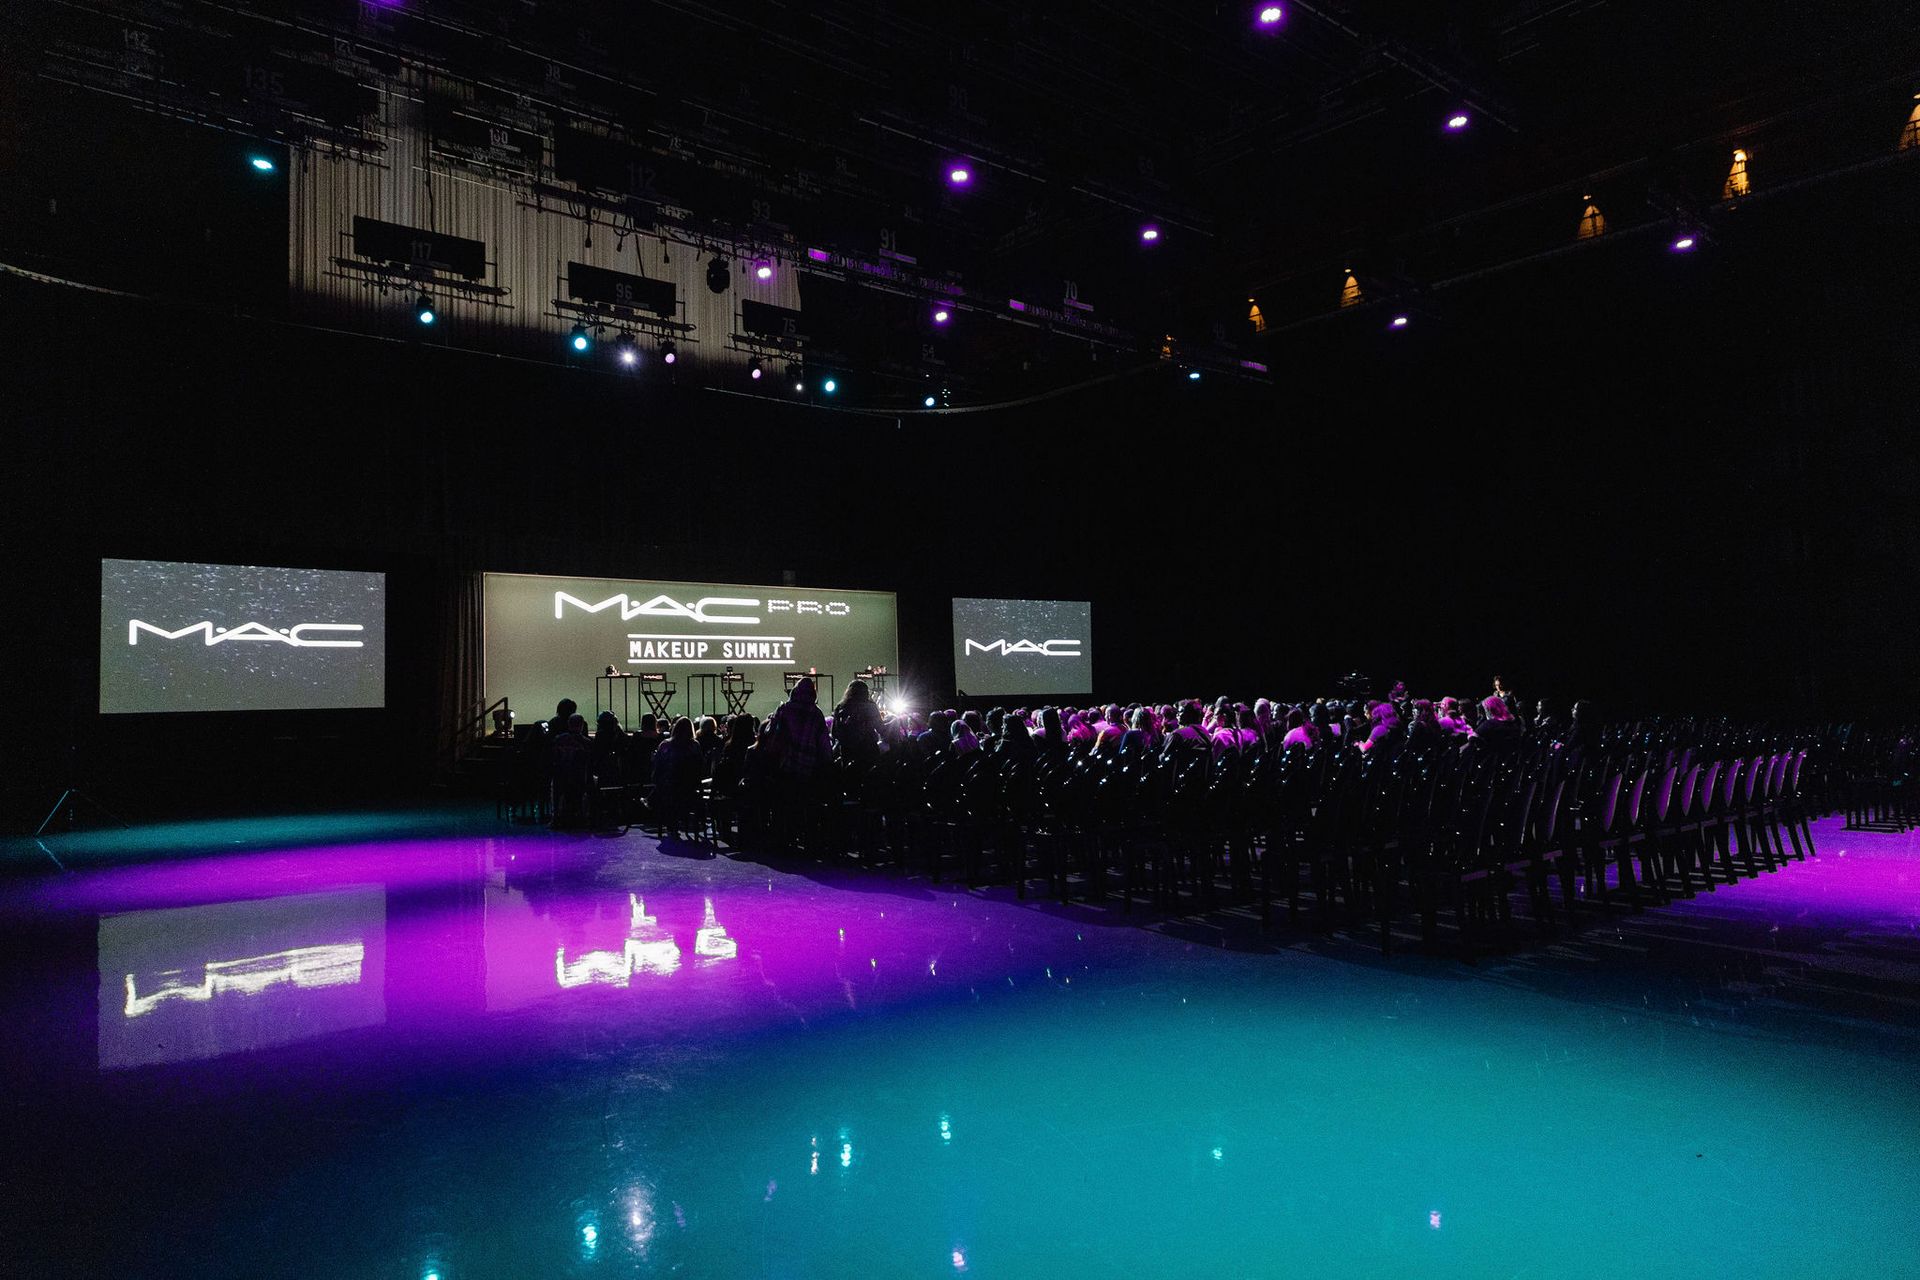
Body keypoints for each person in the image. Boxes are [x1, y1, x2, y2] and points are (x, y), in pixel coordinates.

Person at [832, 680, 884, 765]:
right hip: (868, 749)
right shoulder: (870, 707)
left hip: (848, 752)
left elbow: (834, 733)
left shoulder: (841, 707)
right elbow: (880, 728)